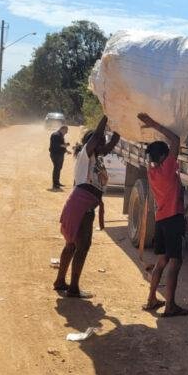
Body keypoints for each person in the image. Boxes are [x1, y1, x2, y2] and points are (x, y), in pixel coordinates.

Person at [53, 116, 119, 298]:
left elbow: (112, 143)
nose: (104, 146)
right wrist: (106, 115)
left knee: (72, 245)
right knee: (82, 247)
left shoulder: (96, 158)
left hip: (80, 207)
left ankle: (60, 281)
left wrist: (120, 120)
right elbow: (98, 135)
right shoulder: (86, 156)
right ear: (93, 142)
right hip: (82, 208)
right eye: (100, 142)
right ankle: (73, 288)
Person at [137, 112, 188, 317]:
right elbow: (175, 140)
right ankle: (170, 306)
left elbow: (166, 149)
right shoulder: (167, 168)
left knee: (161, 261)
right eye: (166, 154)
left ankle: (151, 299)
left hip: (160, 220)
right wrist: (153, 123)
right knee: (175, 262)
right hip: (173, 219)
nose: (170, 156)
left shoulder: (152, 172)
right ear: (162, 158)